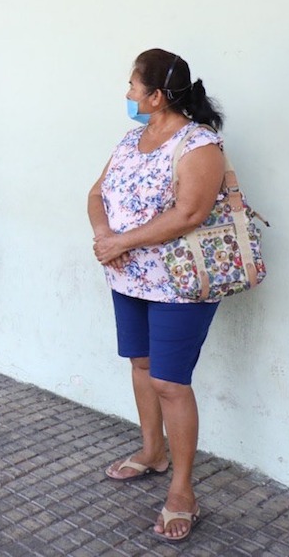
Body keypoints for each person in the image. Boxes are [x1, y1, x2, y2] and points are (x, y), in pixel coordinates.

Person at [87, 48, 227, 544]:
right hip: (127, 278)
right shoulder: (132, 138)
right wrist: (106, 237)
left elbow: (190, 214)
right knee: (141, 365)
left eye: (133, 86)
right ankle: (152, 452)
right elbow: (96, 194)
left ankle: (184, 490)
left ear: (157, 95)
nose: (127, 94)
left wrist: (121, 242)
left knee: (171, 382)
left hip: (178, 285)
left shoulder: (198, 145)